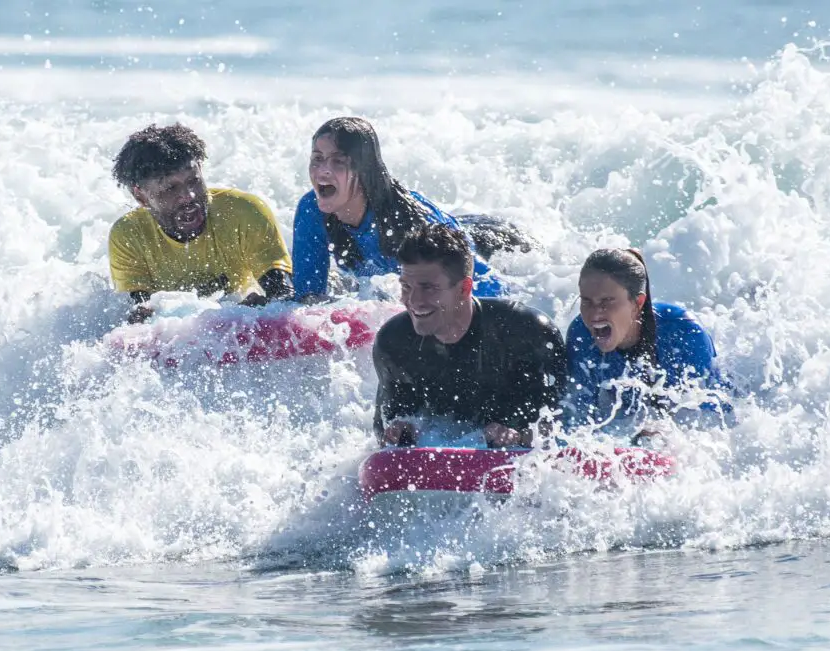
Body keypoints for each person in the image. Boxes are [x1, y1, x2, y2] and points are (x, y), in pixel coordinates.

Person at [372, 223, 567, 449]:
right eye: (406, 287)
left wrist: (520, 437)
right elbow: (383, 428)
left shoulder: (527, 334)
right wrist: (399, 430)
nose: (413, 301)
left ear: (464, 288)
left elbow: (561, 426)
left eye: (429, 288)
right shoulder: (394, 344)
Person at [292, 116, 513, 304]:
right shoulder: (312, 211)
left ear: (365, 169)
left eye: (338, 161)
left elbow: (493, 290)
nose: (323, 171)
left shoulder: (412, 224)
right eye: (317, 159)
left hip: (494, 242)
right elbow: (308, 298)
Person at [108, 123, 294, 323]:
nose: (188, 196)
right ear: (141, 196)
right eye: (170, 189)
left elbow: (283, 297)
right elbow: (140, 318)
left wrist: (253, 312)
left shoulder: (243, 212)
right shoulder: (129, 235)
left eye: (194, 181)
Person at [564, 248, 732, 437]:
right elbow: (577, 417)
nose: (594, 313)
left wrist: (667, 433)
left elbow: (715, 421)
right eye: (587, 301)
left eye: (607, 301)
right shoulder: (581, 336)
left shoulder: (683, 333)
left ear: (638, 303)